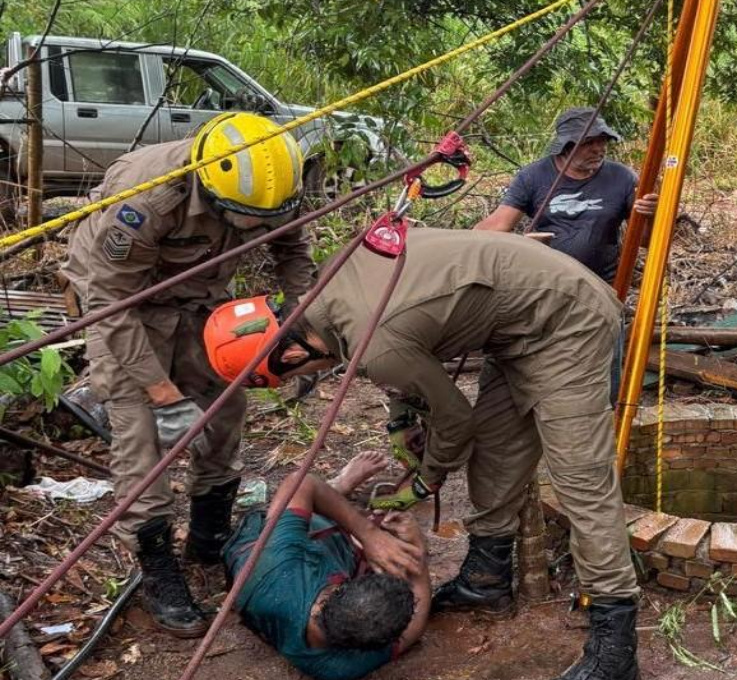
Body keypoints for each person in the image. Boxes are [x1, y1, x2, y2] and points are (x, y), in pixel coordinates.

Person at [204, 228, 641, 680]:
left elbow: (454, 421)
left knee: (580, 478)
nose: (311, 375)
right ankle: (486, 578)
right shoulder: (329, 292)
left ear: (292, 350)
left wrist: (423, 481)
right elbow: (405, 355)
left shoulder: (374, 340)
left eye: (297, 374)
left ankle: (615, 640)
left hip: (567, 317)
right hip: (511, 328)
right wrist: (402, 420)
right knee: (496, 452)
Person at [61, 112, 316, 636]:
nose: (253, 226)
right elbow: (110, 301)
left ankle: (208, 537)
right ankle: (157, 567)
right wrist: (163, 392)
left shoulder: (273, 183)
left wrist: (304, 317)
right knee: (143, 442)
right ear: (208, 185)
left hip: (201, 300)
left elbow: (291, 246)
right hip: (123, 304)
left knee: (225, 412)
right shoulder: (147, 200)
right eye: (242, 218)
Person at [223, 451, 430, 680]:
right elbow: (417, 626)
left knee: (300, 509)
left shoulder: (283, 567)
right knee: (383, 546)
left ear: (338, 590)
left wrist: (369, 535)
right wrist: (418, 553)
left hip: (260, 552)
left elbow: (299, 482)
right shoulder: (341, 668)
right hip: (293, 564)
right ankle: (334, 494)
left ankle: (336, 488)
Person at [473, 106, 657, 281]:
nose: (598, 149)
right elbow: (498, 224)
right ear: (566, 146)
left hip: (602, 285)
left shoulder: (623, 177)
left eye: (602, 141)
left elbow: (644, 241)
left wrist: (651, 216)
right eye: (588, 142)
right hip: (548, 283)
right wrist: (462, 245)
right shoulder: (533, 176)